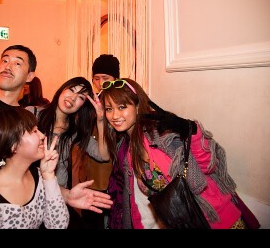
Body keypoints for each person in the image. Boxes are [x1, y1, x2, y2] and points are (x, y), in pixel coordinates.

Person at [0, 0, 114, 215]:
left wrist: (67, 195)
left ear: (30, 76)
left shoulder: (28, 122)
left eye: (17, 63)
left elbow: (34, 175)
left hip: (2, 208)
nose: (8, 65)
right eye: (5, 60)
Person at [98, 77, 246, 229]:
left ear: (137, 105)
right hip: (185, 223)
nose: (114, 116)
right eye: (109, 109)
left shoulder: (159, 134)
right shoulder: (129, 149)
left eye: (122, 107)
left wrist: (192, 131)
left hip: (217, 218)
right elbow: (135, 203)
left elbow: (209, 165)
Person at [26, 76, 113, 228]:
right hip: (28, 196)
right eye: (71, 90)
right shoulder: (32, 113)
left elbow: (103, 155)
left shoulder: (75, 130)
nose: (73, 98)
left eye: (80, 97)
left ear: (83, 105)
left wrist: (100, 121)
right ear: (62, 89)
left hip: (57, 197)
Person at [0, 108, 69, 229]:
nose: (42, 136)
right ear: (13, 146)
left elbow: (58, 225)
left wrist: (49, 175)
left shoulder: (38, 176)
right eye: (34, 131)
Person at [73, 54, 121, 228]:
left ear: (116, 79)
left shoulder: (120, 104)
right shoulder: (90, 102)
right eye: (96, 78)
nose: (100, 83)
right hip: (88, 177)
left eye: (106, 79)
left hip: (109, 179)